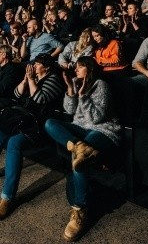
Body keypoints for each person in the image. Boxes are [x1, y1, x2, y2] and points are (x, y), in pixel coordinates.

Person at [0, 53, 65, 220]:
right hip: (22, 118)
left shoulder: (54, 80)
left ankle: (7, 198)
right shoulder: (32, 77)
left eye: (37, 65)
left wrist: (31, 81)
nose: (34, 67)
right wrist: (25, 81)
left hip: (39, 125)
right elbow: (16, 95)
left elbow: (40, 99)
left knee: (14, 144)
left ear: (47, 67)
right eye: (34, 64)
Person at [44, 56, 122, 242]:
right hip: (80, 130)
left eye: (80, 67)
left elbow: (96, 118)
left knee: (79, 161)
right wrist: (71, 92)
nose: (76, 70)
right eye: (76, 67)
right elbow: (70, 112)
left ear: (90, 69)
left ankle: (79, 209)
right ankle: (80, 147)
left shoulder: (100, 85)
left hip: (103, 131)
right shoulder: (77, 84)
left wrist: (84, 96)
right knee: (49, 123)